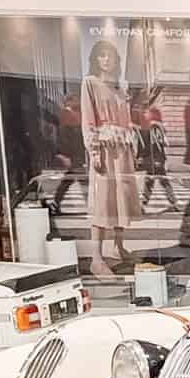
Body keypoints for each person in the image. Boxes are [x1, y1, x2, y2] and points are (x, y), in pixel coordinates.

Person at [80, 40, 139, 275]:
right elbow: (88, 120)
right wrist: (94, 150)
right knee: (102, 202)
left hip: (122, 150)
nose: (106, 59)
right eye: (101, 55)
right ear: (95, 59)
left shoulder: (120, 89)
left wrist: (132, 142)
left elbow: (127, 121)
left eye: (110, 55)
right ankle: (96, 257)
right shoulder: (89, 83)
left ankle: (118, 246)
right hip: (104, 149)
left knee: (120, 200)